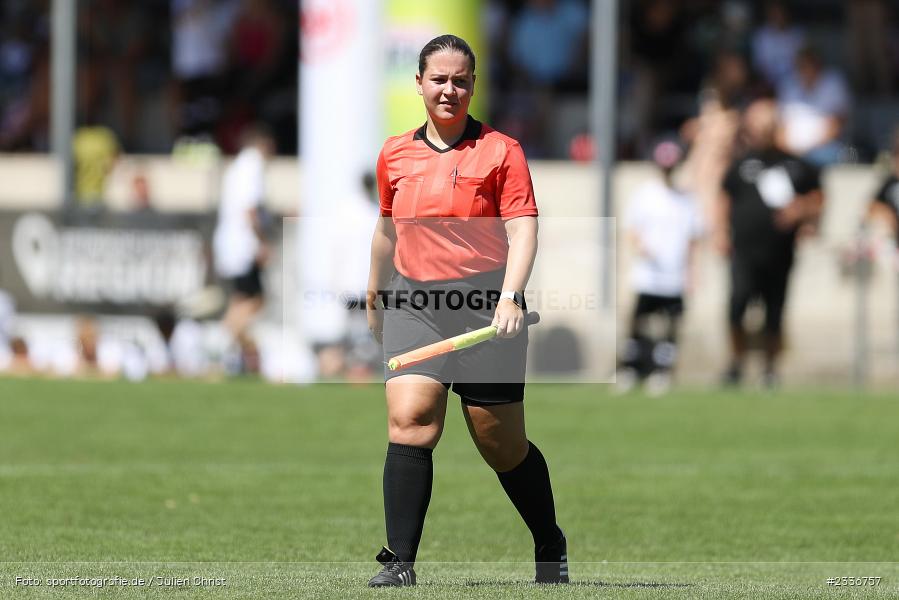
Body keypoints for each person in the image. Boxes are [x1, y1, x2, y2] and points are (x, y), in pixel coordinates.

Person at [365, 35, 567, 587]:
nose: (449, 90)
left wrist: (509, 295)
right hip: (415, 302)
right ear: (420, 83)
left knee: (499, 443)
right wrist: (374, 293)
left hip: (485, 306)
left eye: (461, 80)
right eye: (439, 79)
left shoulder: (503, 150)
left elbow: (523, 227)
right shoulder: (394, 153)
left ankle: (549, 540)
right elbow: (386, 229)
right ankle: (400, 562)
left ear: (473, 86)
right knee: (410, 422)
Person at [716, 99, 823, 388]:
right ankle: (736, 363)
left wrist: (801, 211)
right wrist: (720, 233)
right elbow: (724, 199)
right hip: (745, 251)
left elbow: (818, 200)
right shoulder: (740, 165)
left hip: (779, 252)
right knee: (738, 306)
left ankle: (770, 369)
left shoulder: (796, 165)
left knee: (774, 312)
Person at [617, 140, 703, 395]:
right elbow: (632, 229)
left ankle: (662, 372)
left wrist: (692, 272)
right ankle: (629, 368)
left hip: (674, 274)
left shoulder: (687, 199)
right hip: (649, 274)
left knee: (671, 325)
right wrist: (641, 247)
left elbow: (693, 239)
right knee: (637, 323)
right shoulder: (646, 194)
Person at [212, 124, 274, 357]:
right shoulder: (253, 165)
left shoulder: (237, 167)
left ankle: (230, 347)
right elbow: (250, 209)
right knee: (257, 299)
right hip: (243, 245)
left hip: (230, 242)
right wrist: (262, 242)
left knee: (241, 299)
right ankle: (219, 342)